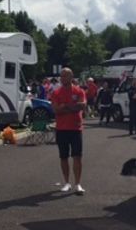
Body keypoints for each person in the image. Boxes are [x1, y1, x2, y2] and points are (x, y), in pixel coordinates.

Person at [50, 67, 87, 195]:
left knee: (77, 156)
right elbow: (56, 109)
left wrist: (65, 106)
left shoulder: (79, 91)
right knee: (63, 157)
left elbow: (82, 106)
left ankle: (78, 184)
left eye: (65, 76)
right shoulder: (56, 93)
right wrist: (71, 107)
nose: (62, 78)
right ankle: (66, 183)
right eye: (61, 76)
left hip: (76, 128)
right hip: (61, 129)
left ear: (71, 77)